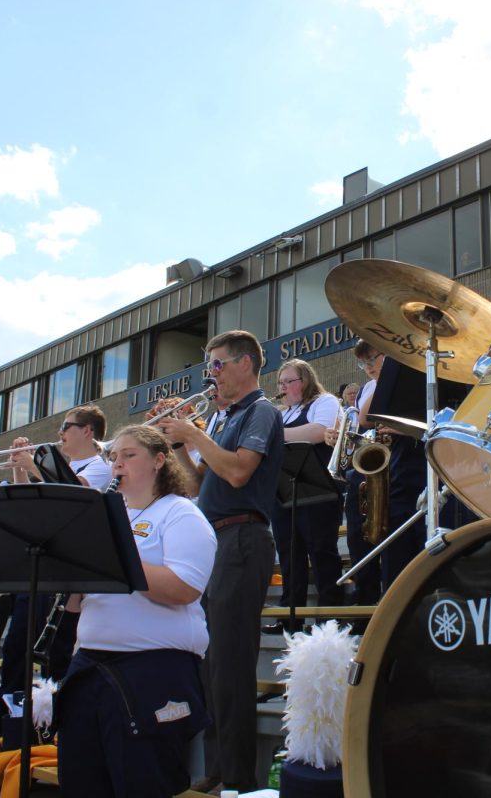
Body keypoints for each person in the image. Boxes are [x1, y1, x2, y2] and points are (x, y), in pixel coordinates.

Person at [56, 424, 216, 797]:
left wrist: (115, 556)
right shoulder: (109, 519)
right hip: (89, 668)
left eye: (129, 455)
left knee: (143, 784)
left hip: (152, 672)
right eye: (113, 457)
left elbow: (183, 588)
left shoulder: (181, 514)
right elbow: (76, 604)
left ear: (160, 460)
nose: (117, 465)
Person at [157, 330, 282, 794]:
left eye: (217, 365)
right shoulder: (221, 418)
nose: (210, 375)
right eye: (208, 366)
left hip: (243, 537)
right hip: (213, 540)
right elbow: (195, 486)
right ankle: (217, 768)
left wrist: (191, 431)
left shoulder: (260, 411)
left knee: (230, 664)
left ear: (245, 364)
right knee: (208, 665)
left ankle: (239, 779)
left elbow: (236, 471)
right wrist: (176, 445)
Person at [0, 405, 115, 737]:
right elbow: (29, 503)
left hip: (66, 571)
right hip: (42, 565)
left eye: (66, 427)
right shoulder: (63, 466)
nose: (60, 435)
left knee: (54, 654)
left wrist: (33, 463)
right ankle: (7, 721)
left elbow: (74, 492)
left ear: (87, 431)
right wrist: (20, 468)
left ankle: (44, 726)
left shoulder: (101, 467)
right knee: (17, 648)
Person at [272, 359, 344, 608]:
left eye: (288, 382)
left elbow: (319, 431)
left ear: (305, 381)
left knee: (321, 550)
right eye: (280, 382)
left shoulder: (324, 401)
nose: (282, 388)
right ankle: (290, 611)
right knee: (288, 554)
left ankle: (330, 610)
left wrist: (274, 434)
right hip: (284, 490)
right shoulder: (281, 413)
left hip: (319, 490)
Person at [325, 341, 384, 605]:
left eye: (373, 359)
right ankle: (364, 597)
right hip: (365, 469)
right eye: (363, 363)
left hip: (391, 466)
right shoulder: (367, 388)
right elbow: (360, 425)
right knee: (358, 538)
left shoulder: (382, 382)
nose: (368, 368)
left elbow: (365, 418)